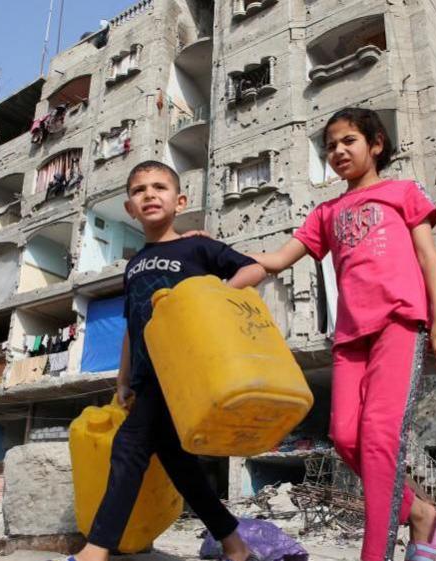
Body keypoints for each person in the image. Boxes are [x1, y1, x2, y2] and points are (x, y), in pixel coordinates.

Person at [250, 107, 436, 561]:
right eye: (330, 145)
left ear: (376, 145)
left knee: (380, 436)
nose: (338, 151)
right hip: (350, 336)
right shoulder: (326, 212)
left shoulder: (401, 192)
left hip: (400, 324)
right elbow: (277, 259)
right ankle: (422, 514)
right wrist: (220, 265)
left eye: (348, 141)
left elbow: (428, 257)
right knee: (346, 437)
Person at [59, 161, 265, 561]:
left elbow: (252, 268)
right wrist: (122, 381)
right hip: (146, 376)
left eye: (159, 187)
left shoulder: (195, 246)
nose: (149, 195)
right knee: (178, 463)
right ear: (130, 207)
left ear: (179, 200)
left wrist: (208, 298)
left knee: (129, 447)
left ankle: (96, 550)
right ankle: (235, 544)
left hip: (186, 373)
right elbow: (132, 327)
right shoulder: (134, 266)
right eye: (139, 191)